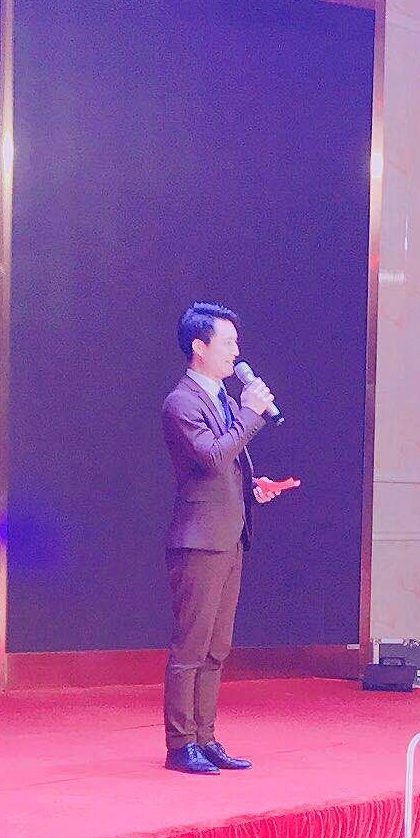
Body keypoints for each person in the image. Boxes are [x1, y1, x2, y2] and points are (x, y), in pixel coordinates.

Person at [161, 302, 278, 774]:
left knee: (216, 647)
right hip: (198, 539)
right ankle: (180, 743)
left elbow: (225, 464)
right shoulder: (181, 402)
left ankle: (205, 737)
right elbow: (210, 456)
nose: (236, 351)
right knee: (191, 646)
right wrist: (251, 414)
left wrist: (252, 487)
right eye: (227, 342)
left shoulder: (224, 400)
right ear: (199, 346)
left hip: (229, 536)